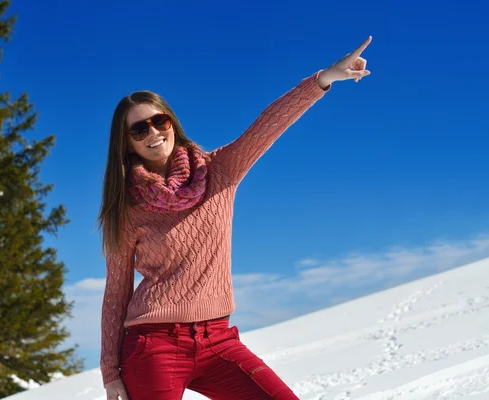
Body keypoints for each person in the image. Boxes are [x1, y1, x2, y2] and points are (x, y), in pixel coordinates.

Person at [98, 36, 372, 400]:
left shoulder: (220, 170)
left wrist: (322, 80)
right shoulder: (127, 207)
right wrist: (109, 373)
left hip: (218, 340)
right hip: (154, 345)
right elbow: (116, 292)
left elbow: (267, 126)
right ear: (127, 142)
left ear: (171, 123)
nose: (152, 133)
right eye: (138, 129)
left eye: (158, 120)